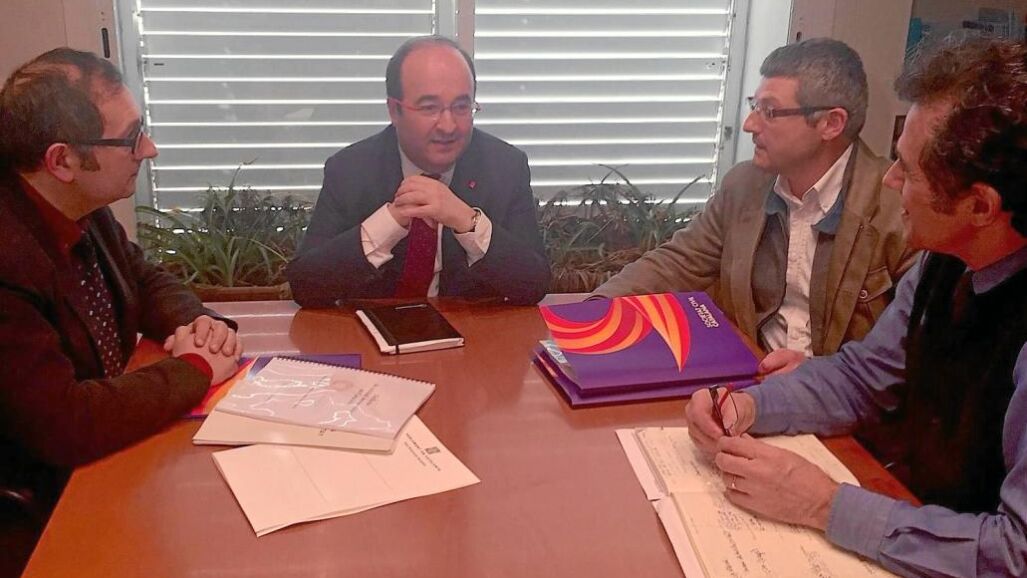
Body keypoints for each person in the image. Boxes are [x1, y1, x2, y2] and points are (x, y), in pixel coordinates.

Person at [685, 37, 1027, 577]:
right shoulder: (946, 261)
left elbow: (1015, 553)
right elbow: (862, 378)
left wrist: (823, 504)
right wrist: (749, 405)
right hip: (913, 511)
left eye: (908, 171)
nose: (890, 180)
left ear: (980, 205)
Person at [0, 49, 243, 516]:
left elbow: (143, 277)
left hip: (112, 456)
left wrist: (199, 324)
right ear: (62, 160)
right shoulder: (8, 258)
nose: (149, 149)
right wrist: (196, 367)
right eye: (131, 138)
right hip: (51, 500)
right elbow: (66, 422)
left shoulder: (77, 204)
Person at [593, 38, 917, 375]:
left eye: (770, 112)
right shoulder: (744, 185)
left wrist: (821, 374)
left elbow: (912, 354)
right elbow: (677, 262)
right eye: (754, 106)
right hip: (748, 379)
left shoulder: (900, 208)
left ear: (831, 124)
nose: (749, 124)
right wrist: (593, 312)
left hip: (844, 397)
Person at [287, 36, 550, 306]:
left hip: (470, 329)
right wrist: (388, 224)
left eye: (461, 107)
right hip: (372, 327)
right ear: (394, 110)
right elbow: (306, 286)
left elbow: (534, 284)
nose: (448, 126)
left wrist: (467, 221)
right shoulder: (350, 170)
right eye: (429, 108)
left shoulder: (505, 167)